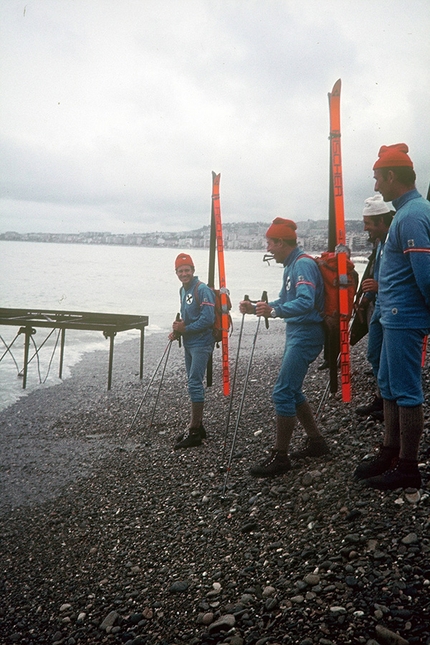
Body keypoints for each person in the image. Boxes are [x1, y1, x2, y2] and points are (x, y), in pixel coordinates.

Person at [354, 143, 430, 490]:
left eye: (376, 179)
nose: (375, 187)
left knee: (406, 391)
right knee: (389, 385)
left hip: (405, 317)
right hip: (395, 315)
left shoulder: (413, 214)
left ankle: (407, 466)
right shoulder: (406, 212)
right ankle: (390, 450)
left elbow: (425, 274)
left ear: (390, 175)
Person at [239, 217, 329, 478]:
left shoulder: (301, 265)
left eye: (270, 243)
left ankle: (280, 457)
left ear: (281, 242)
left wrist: (274, 311)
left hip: (306, 333)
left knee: (282, 392)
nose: (268, 248)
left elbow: (306, 302)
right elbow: (286, 299)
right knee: (292, 390)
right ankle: (316, 442)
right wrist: (258, 306)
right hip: (297, 331)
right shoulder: (292, 265)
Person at [169, 253, 215, 449]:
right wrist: (177, 331)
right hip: (189, 343)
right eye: (180, 271)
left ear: (193, 270)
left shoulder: (202, 289)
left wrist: (185, 329)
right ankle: (198, 426)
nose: (184, 273)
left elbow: (208, 319)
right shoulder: (183, 290)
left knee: (194, 382)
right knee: (192, 381)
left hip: (202, 343)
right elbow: (187, 316)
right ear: (176, 273)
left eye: (187, 270)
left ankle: (194, 430)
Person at [354, 195, 394, 420]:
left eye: (368, 223)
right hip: (379, 303)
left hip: (392, 306)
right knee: (374, 353)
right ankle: (382, 398)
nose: (365, 228)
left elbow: (401, 277)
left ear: (380, 221)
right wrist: (367, 297)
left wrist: (378, 287)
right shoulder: (380, 244)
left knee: (387, 357)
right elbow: (376, 274)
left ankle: (388, 401)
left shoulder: (394, 242)